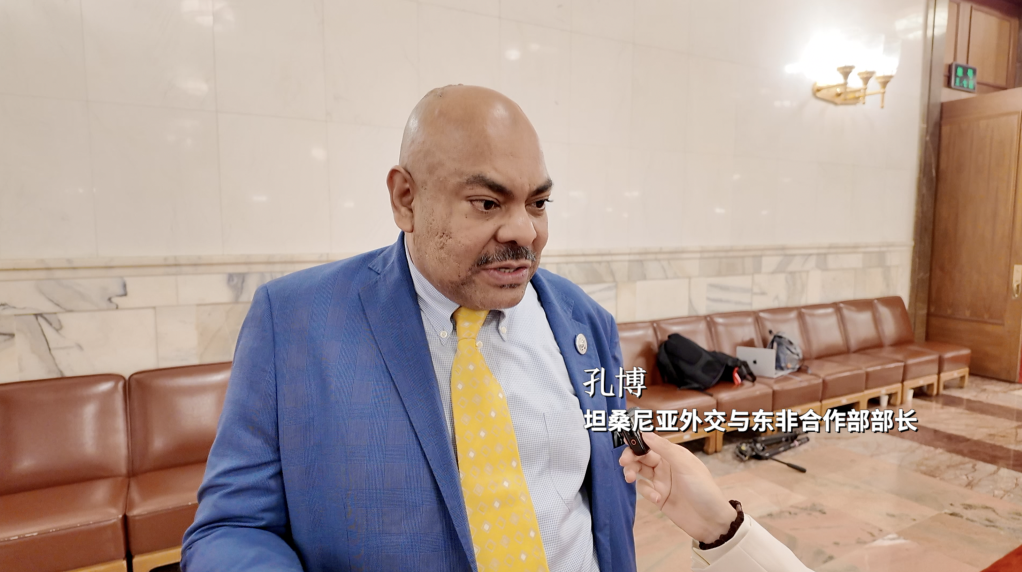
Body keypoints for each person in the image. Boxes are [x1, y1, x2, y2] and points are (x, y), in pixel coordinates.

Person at [181, 85, 811, 572]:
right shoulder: (296, 321)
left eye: (538, 203)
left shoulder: (583, 321)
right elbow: (232, 528)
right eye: (487, 203)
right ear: (405, 198)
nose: (524, 232)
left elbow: (611, 475)